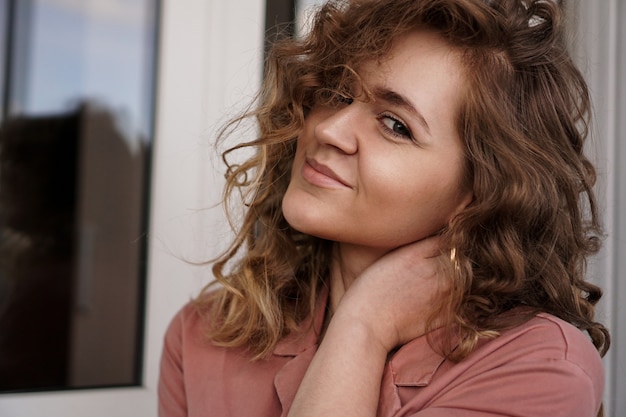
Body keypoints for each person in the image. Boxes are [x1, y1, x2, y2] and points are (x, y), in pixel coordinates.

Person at [158, 0, 610, 416]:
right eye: (338, 93)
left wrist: (363, 324)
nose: (331, 129)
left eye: (395, 125)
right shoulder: (205, 334)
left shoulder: (539, 367)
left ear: (483, 192)